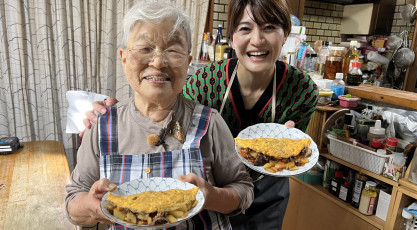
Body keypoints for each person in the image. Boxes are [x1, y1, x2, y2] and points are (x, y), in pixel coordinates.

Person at [84, 0, 319, 229]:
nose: (257, 40)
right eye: (245, 28)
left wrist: (287, 146)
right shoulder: (206, 81)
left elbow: (296, 155)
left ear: (286, 35)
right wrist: (115, 115)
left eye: (270, 28)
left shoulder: (303, 89)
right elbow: (168, 113)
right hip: (213, 193)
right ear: (233, 36)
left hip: (267, 191)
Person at [65, 1, 254, 229]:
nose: (157, 62)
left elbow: (243, 190)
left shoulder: (210, 123)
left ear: (188, 62)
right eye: (145, 49)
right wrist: (91, 206)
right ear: (124, 58)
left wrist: (211, 196)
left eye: (173, 51)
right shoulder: (102, 126)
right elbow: (74, 201)